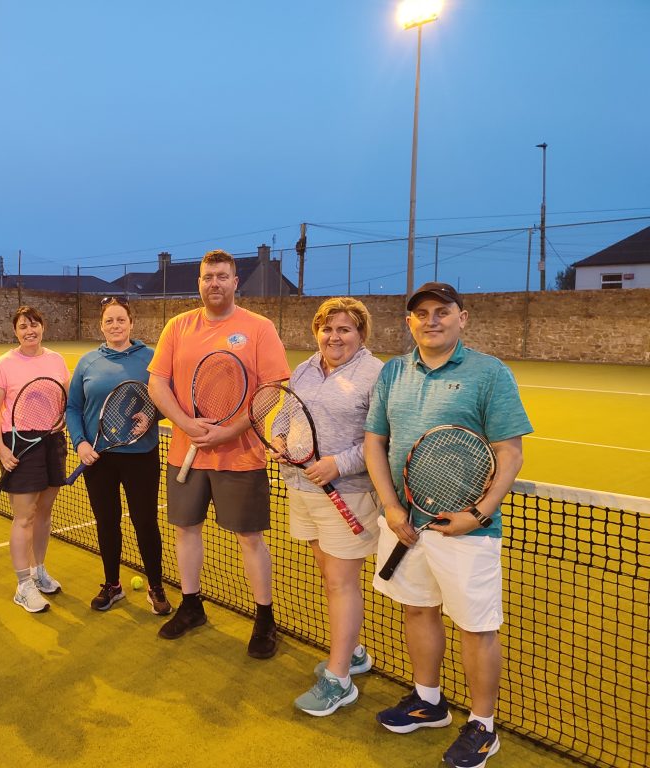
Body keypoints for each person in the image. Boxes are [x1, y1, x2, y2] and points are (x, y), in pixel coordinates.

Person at [364, 282, 531, 768]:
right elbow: (375, 442)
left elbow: (510, 452)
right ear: (409, 322)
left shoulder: (489, 372)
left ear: (463, 318)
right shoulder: (394, 371)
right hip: (405, 524)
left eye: (442, 311)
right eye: (421, 313)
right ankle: (428, 701)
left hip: (467, 530)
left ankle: (483, 726)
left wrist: (477, 514)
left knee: (477, 628)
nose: (431, 320)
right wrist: (391, 507)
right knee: (418, 611)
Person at [148, 249, 290, 658]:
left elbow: (272, 390)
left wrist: (230, 430)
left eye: (222, 276)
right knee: (185, 530)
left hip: (241, 457)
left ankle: (265, 619)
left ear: (234, 282)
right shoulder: (178, 326)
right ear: (199, 282)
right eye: (208, 276)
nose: (214, 283)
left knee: (250, 538)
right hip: (185, 453)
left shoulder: (259, 328)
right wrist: (186, 424)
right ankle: (191, 606)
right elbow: (157, 384)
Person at [274, 297, 385, 716]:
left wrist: (338, 463)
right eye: (327, 328)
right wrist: (279, 440)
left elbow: (381, 438)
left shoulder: (375, 374)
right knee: (329, 576)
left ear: (361, 334)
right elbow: (285, 414)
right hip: (302, 489)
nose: (334, 337)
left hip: (349, 494)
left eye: (344, 329)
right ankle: (353, 653)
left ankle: (339, 680)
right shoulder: (305, 368)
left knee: (341, 583)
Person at [66, 297, 171, 615]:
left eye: (121, 320)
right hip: (98, 458)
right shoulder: (88, 362)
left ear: (131, 323)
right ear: (101, 326)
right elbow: (73, 407)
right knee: (107, 522)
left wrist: (152, 415)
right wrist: (80, 444)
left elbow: (169, 399)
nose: (115, 325)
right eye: (109, 321)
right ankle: (112, 585)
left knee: (145, 522)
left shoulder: (151, 358)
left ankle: (156, 587)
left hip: (141, 455)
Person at [0, 306, 70, 614]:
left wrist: (64, 417)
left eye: (34, 325)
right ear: (16, 331)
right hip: (19, 442)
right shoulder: (4, 364)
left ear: (42, 327)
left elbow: (67, 399)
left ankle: (38, 571)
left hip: (52, 441)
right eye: (23, 326)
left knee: (44, 513)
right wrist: (1, 448)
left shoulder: (57, 360)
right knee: (24, 517)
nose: (29, 331)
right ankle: (23, 586)